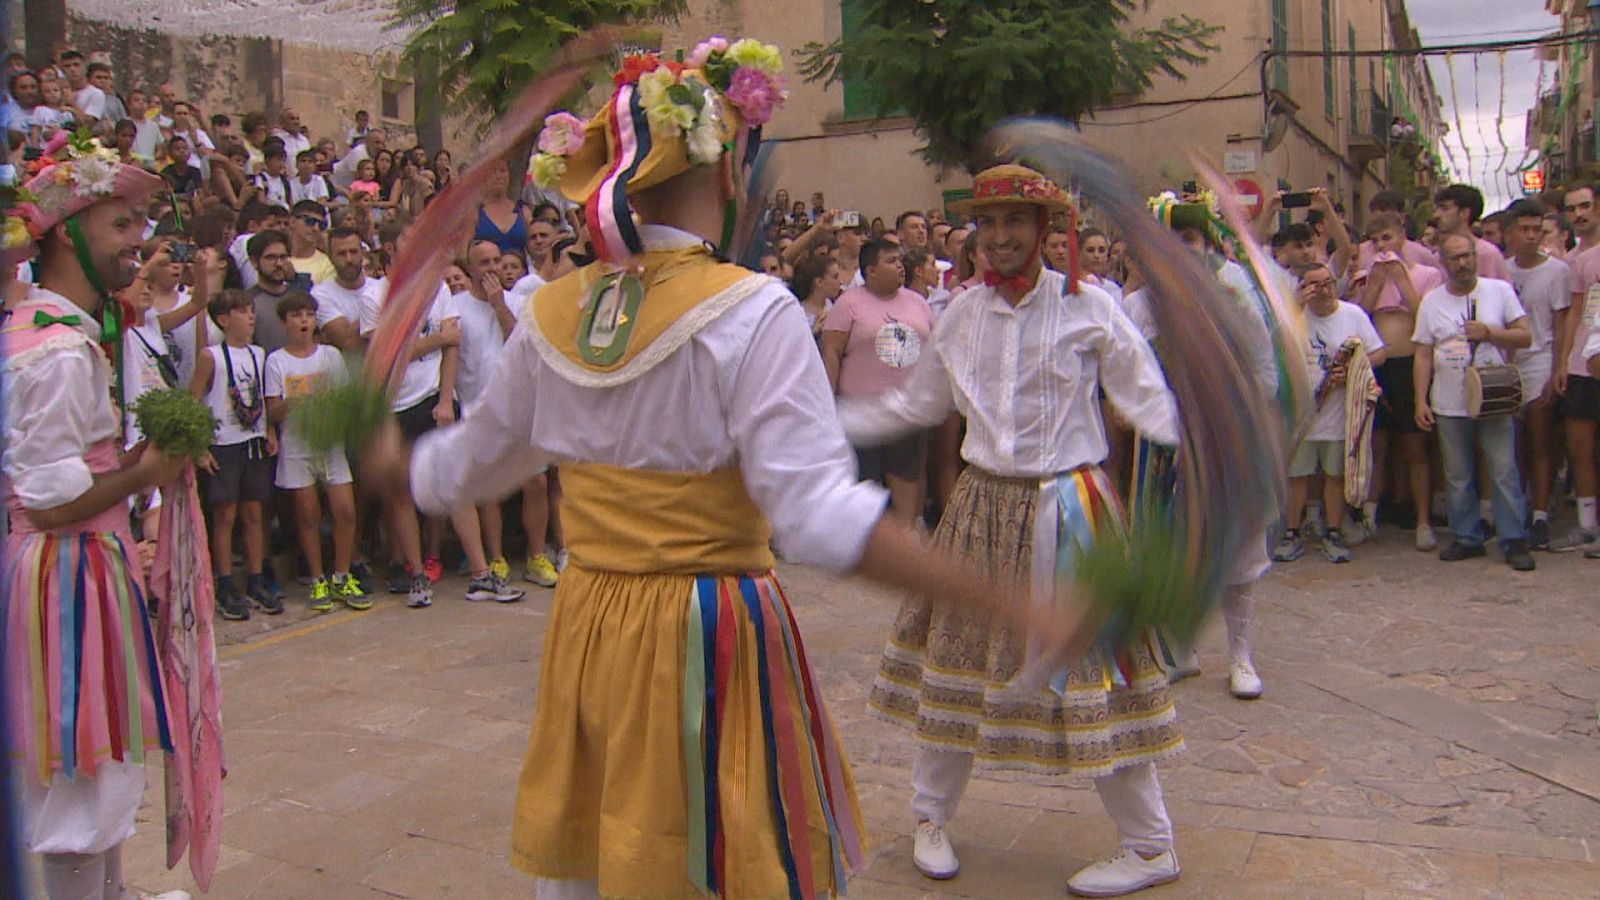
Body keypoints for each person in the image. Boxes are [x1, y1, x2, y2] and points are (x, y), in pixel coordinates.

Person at [370, 42, 1073, 900]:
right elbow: (813, 514)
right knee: (723, 859)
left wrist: (396, 467)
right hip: (709, 629)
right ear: (731, 165)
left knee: (604, 858)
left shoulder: (552, 310)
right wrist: (1004, 595)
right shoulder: (751, 309)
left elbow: (465, 469)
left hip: (591, 622)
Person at [838, 164, 1186, 896]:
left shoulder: (1091, 307)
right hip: (981, 509)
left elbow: (1147, 395)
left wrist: (1198, 450)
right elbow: (918, 405)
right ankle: (930, 816)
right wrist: (827, 425)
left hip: (1074, 510)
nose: (998, 238)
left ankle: (1151, 843)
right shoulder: (961, 313)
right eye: (988, 224)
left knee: (1095, 673)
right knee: (952, 664)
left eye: (1014, 224)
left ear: (1044, 230)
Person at [4, 135, 192, 900]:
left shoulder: (60, 334)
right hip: (66, 572)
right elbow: (45, 501)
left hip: (81, 564)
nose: (137, 242)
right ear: (67, 234)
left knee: (99, 746)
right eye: (120, 226)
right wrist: (147, 472)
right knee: (80, 766)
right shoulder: (55, 353)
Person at [1413, 233, 1535, 570]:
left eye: (1467, 255)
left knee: (1503, 469)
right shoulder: (1432, 301)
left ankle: (1514, 540)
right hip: (1449, 401)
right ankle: (1467, 537)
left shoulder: (1499, 291)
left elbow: (1525, 335)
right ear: (1444, 262)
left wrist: (1491, 333)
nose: (1463, 263)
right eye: (1455, 257)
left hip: (1493, 396)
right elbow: (1422, 354)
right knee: (1457, 474)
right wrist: (1419, 400)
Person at [263, 292, 371, 611]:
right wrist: (296, 400)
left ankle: (341, 575)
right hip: (297, 446)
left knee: (345, 510)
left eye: (309, 315)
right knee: (308, 515)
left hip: (330, 443)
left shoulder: (330, 356)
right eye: (296, 316)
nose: (304, 321)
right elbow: (272, 410)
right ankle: (317, 578)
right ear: (285, 323)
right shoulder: (276, 361)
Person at [1272, 263, 1386, 564]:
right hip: (1302, 412)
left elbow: (1378, 352)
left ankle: (1334, 530)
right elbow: (1272, 350)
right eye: (1314, 284)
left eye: (1327, 282)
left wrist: (1351, 370)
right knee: (1297, 475)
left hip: (1338, 412)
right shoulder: (1293, 317)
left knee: (1335, 474)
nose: (1322, 289)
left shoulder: (1353, 315)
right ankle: (1292, 531)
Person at [821, 238, 936, 523]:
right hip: (861, 412)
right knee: (867, 487)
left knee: (909, 478)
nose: (900, 266)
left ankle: (908, 538)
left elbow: (936, 350)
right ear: (870, 270)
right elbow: (832, 353)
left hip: (908, 410)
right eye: (891, 261)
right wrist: (826, 401)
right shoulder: (848, 305)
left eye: (900, 260)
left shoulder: (918, 303)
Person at [1352, 212, 1444, 550]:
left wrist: (1402, 281)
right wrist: (1375, 283)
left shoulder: (1426, 274)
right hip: (1378, 366)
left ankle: (1423, 521)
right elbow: (1359, 317)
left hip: (1410, 364)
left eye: (1387, 238)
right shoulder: (1367, 276)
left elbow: (1428, 317)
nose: (1382, 247)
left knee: (1415, 445)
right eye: (1375, 241)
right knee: (1375, 444)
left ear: (1401, 236)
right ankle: (1369, 516)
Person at [192, 288, 286, 617]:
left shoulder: (258, 354)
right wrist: (200, 446)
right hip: (224, 442)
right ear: (223, 319)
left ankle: (257, 576)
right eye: (242, 311)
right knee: (224, 514)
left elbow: (259, 395)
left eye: (251, 310)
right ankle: (226, 582)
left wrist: (269, 430)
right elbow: (194, 401)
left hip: (253, 441)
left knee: (254, 513)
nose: (251, 316)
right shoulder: (211, 356)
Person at [1502, 198, 1573, 548]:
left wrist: (1558, 367)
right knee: (1512, 444)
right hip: (1508, 363)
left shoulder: (1557, 271)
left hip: (1540, 358)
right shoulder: (1502, 271)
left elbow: (1561, 324)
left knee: (1540, 439)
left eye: (1537, 230)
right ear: (1512, 232)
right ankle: (1519, 509)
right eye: (1524, 230)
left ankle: (1542, 514)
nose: (1531, 236)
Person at [1552, 183, 1600, 553]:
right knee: (1579, 443)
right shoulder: (1575, 261)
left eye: (1586, 205)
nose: (1580, 213)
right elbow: (1575, 312)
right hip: (1586, 362)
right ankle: (1586, 524)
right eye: (1573, 208)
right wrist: (1567, 361)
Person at [1433, 184, 1512, 282]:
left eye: (1445, 209)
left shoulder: (1487, 253)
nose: (1437, 215)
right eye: (1437, 209)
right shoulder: (1437, 256)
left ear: (1464, 213)